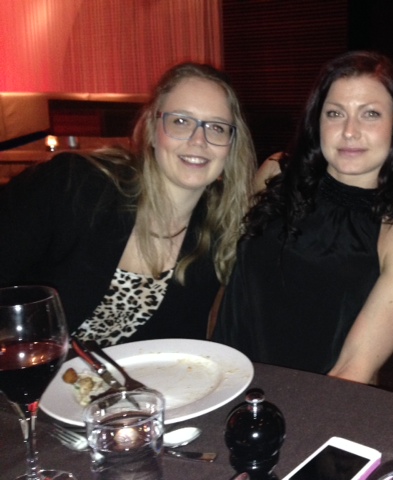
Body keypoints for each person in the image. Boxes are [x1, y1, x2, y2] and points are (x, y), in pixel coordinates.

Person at [213, 51, 393, 384]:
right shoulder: (276, 173)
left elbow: (353, 370)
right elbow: (231, 282)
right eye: (335, 113)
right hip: (223, 381)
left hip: (316, 401)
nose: (349, 131)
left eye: (370, 114)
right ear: (317, 120)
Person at [0, 62, 256, 346]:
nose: (199, 140)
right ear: (153, 129)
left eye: (217, 127)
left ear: (231, 146)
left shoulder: (218, 237)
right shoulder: (73, 184)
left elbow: (178, 351)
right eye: (181, 121)